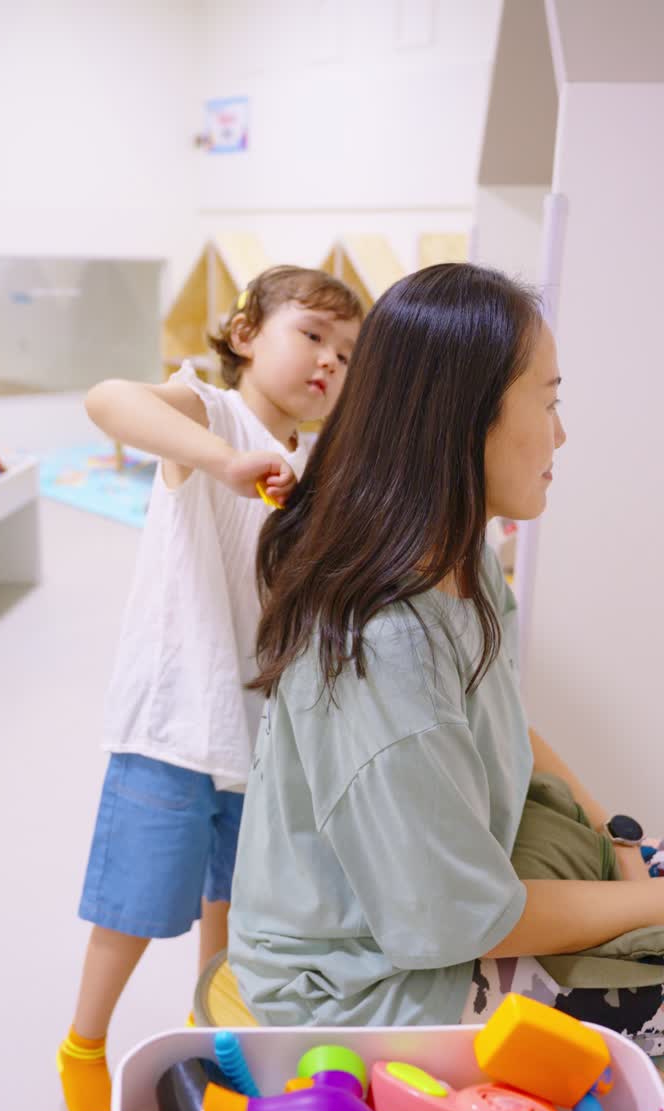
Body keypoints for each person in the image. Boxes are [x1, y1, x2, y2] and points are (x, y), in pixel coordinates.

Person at [228, 263, 664, 1053]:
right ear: (466, 416)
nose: (561, 434)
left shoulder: (458, 552)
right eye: (551, 400)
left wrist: (622, 838)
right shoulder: (389, 646)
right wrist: (651, 901)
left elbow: (501, 719)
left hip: (446, 904)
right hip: (365, 992)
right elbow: (462, 919)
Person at [58, 266, 363, 1111]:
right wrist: (225, 460)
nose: (328, 363)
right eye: (311, 335)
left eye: (345, 355)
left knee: (235, 906)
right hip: (175, 718)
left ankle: (210, 1036)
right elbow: (109, 399)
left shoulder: (313, 468)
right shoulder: (209, 415)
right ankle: (84, 1045)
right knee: (136, 905)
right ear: (242, 335)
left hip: (258, 732)